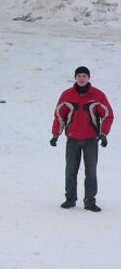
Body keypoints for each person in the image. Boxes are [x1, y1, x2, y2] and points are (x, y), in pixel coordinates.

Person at [51, 66, 113, 212]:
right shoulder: (67, 95)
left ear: (88, 78)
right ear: (75, 77)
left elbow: (107, 115)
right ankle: (70, 199)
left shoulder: (98, 95)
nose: (82, 78)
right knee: (70, 170)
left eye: (84, 75)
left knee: (91, 171)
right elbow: (59, 115)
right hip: (72, 140)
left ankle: (90, 201)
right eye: (79, 75)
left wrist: (103, 133)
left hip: (91, 140)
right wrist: (55, 135)